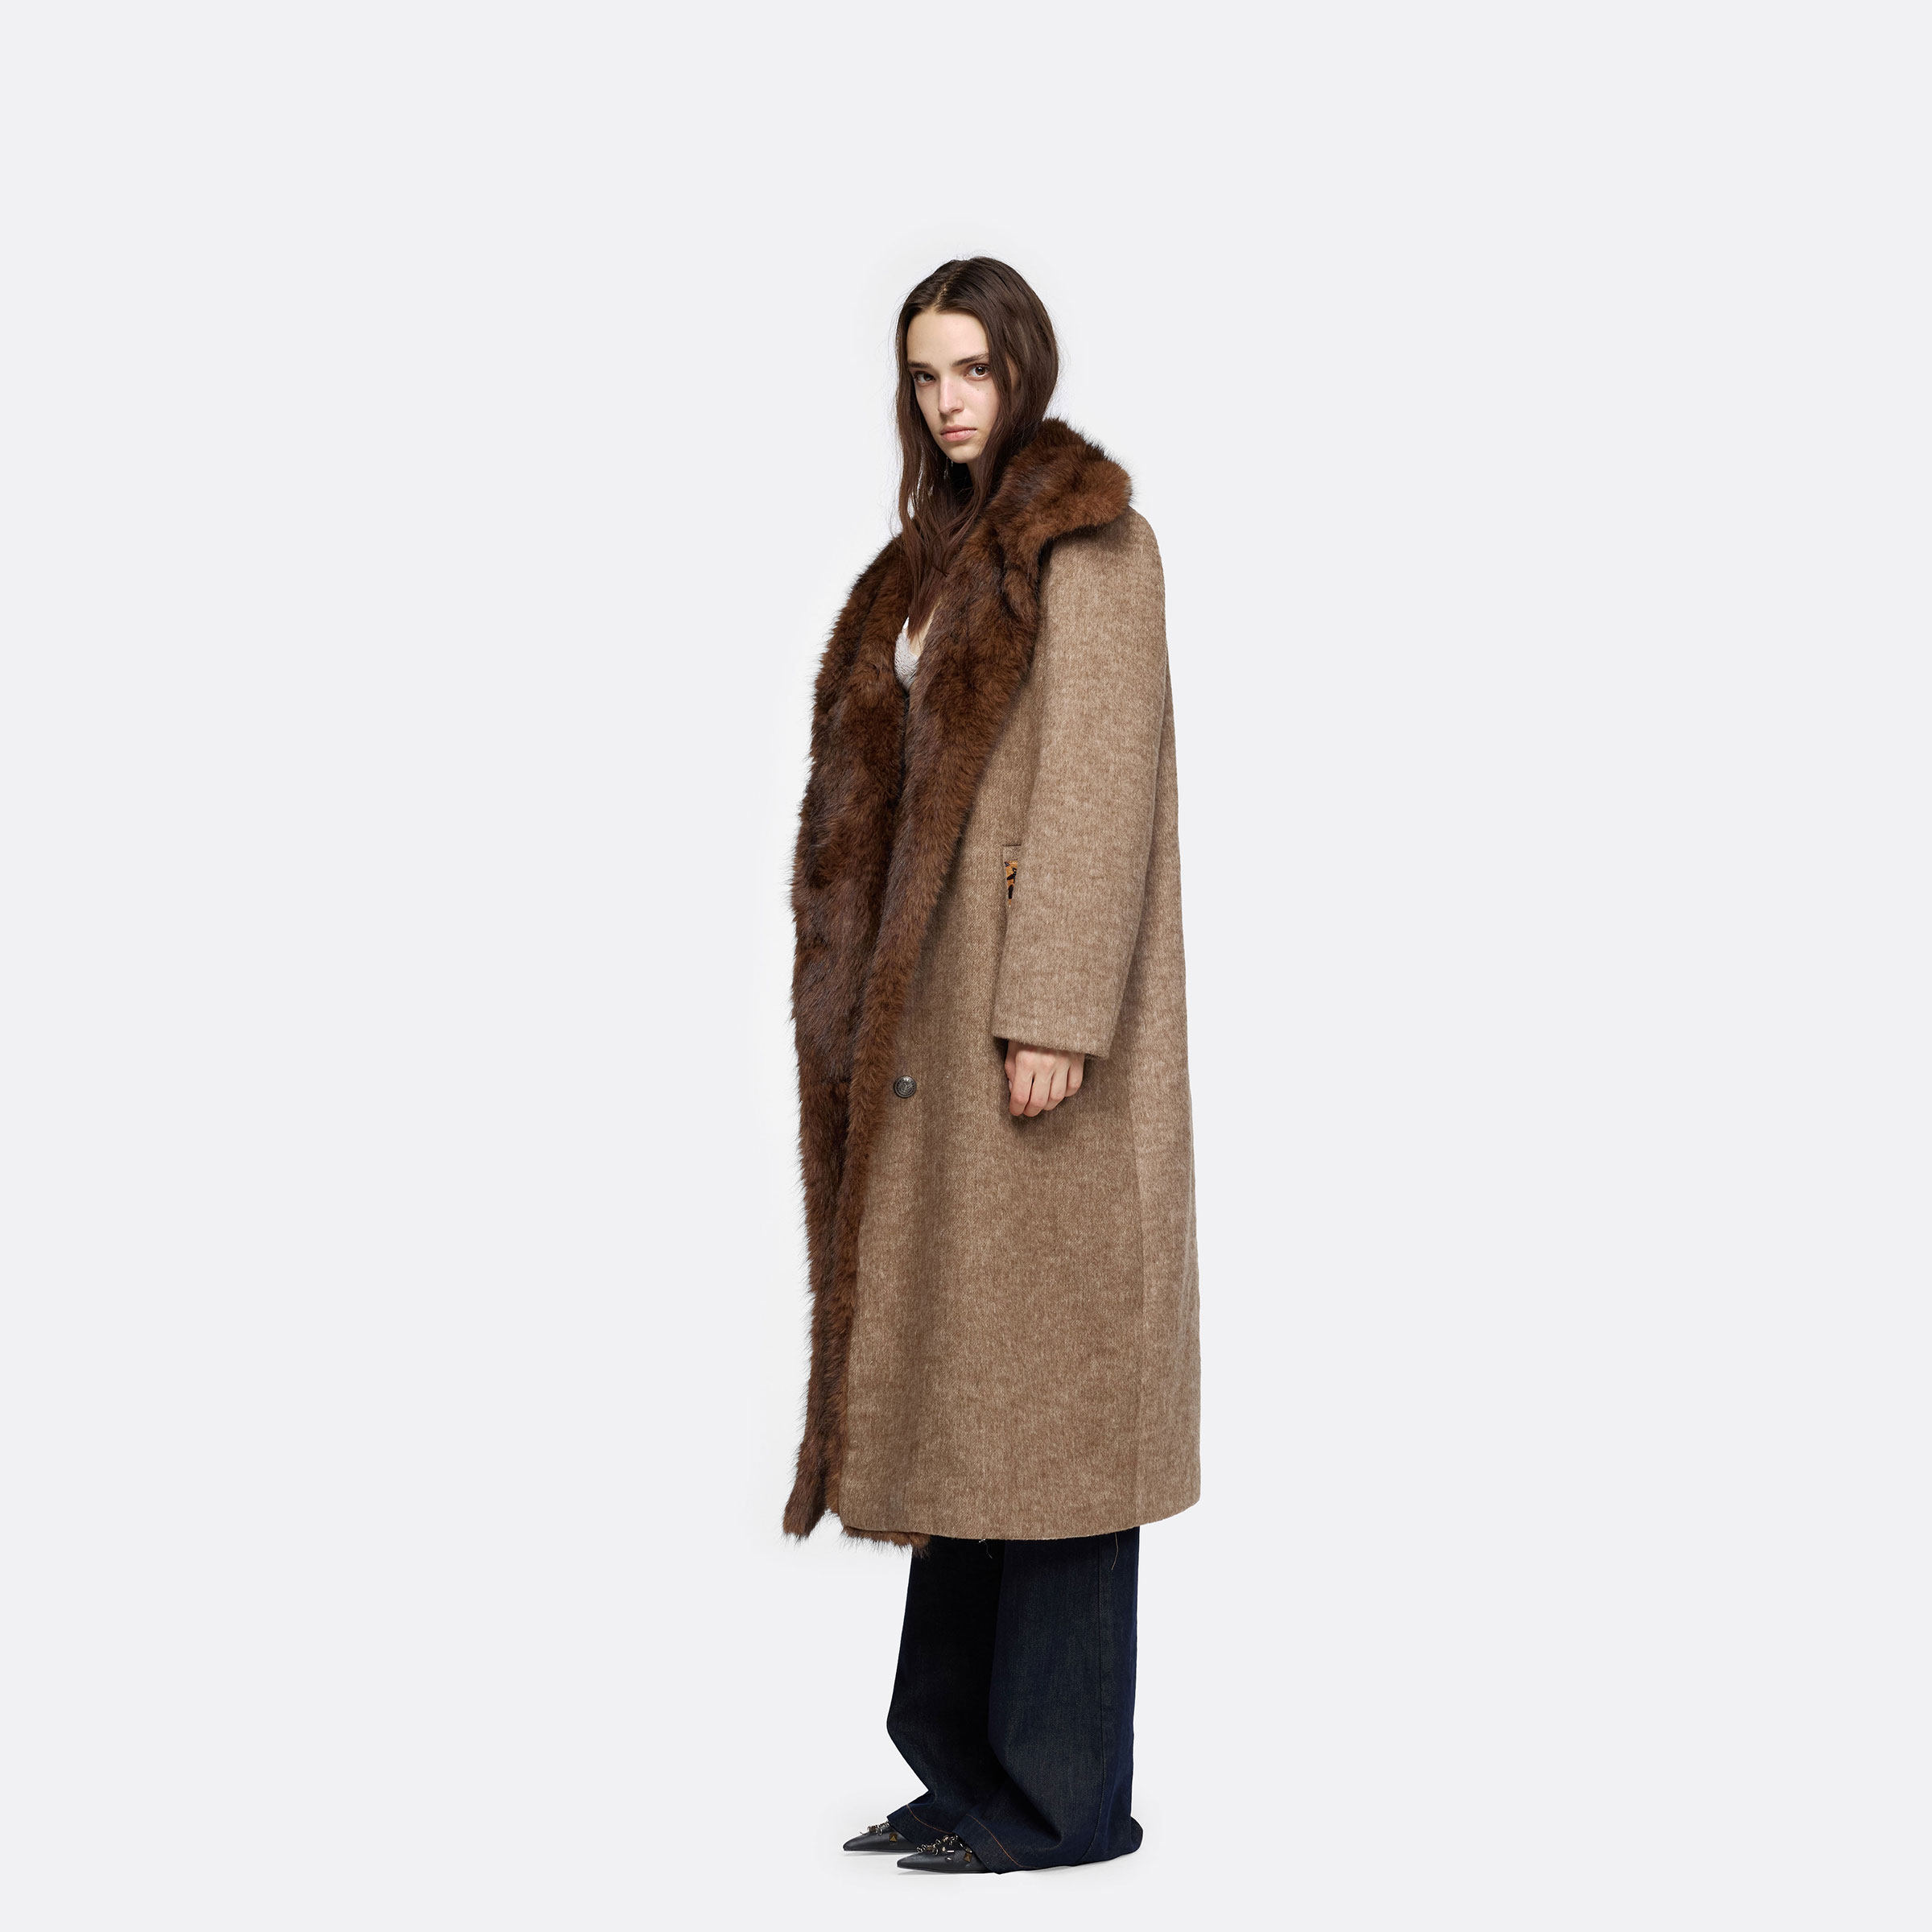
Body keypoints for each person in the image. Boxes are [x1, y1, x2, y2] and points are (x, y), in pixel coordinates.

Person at [784, 257, 1199, 1876]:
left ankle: (1061, 1801)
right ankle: (959, 1765)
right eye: (925, 375)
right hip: (932, 1049)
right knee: (966, 1404)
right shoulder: (934, 557)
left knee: (1061, 1418)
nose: (948, 401)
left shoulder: (1091, 547)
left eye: (972, 369)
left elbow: (1099, 789)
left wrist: (1057, 1017)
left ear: (1025, 368)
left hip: (1030, 1046)